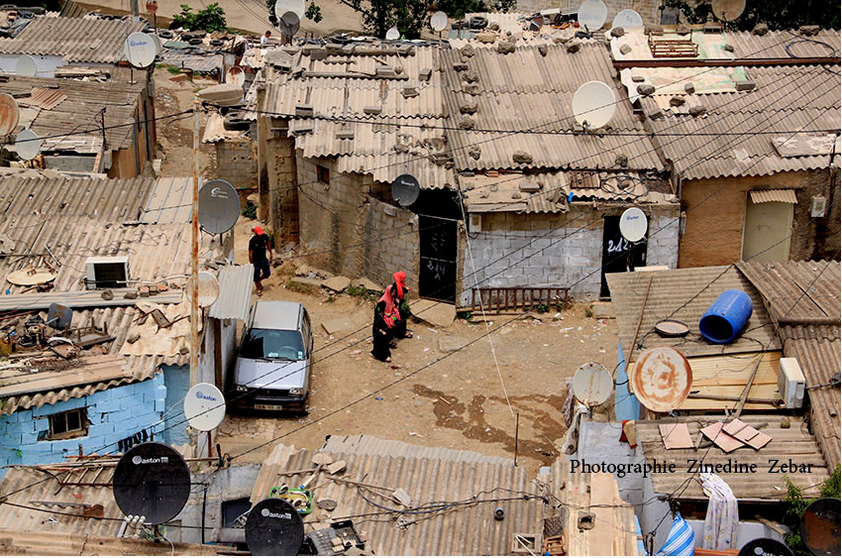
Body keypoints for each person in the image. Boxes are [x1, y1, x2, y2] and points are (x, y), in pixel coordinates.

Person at [387, 271, 413, 340]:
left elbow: (402, 290)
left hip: (399, 304)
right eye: (403, 278)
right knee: (400, 318)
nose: (404, 280)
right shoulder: (395, 286)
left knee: (400, 319)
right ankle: (401, 333)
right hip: (396, 306)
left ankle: (399, 332)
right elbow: (394, 296)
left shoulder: (399, 284)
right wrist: (396, 305)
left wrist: (407, 289)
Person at [249, 225, 272, 296]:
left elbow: (268, 244)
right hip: (256, 261)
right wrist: (251, 262)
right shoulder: (252, 241)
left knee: (267, 273)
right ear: (255, 234)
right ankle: (258, 288)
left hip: (263, 259)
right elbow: (250, 252)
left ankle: (258, 281)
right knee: (256, 274)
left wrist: (271, 253)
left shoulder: (265, 237)